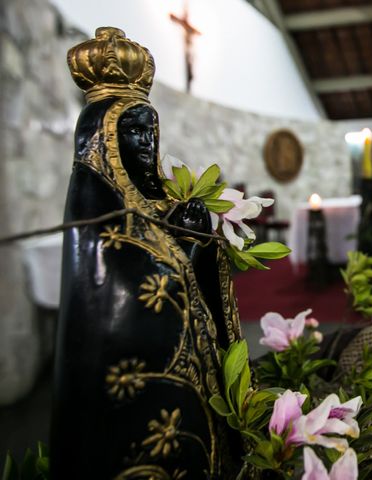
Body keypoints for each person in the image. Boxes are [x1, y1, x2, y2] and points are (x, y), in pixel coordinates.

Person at [52, 28, 244, 478]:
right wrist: (183, 242)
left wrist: (195, 238)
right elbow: (127, 298)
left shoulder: (158, 207)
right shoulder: (94, 217)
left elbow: (179, 263)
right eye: (133, 131)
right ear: (101, 141)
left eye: (150, 130)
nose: (146, 143)